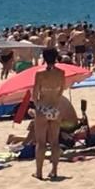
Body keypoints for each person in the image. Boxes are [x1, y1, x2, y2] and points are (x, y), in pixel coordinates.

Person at [32, 47, 65, 181]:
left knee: (41, 142)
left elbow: (35, 94)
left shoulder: (40, 74)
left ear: (44, 58)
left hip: (43, 108)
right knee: (55, 142)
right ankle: (54, 170)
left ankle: (39, 172)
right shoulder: (61, 73)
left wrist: (38, 104)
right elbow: (61, 91)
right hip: (55, 108)